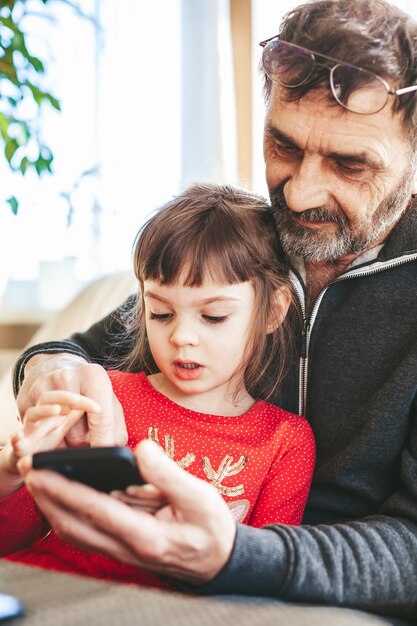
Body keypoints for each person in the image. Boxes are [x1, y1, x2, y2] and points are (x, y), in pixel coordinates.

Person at [9, 0, 417, 620]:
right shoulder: (252, 237)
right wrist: (46, 380)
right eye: (282, 144)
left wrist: (232, 555)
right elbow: (78, 351)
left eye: (349, 163)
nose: (301, 193)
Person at [0, 183, 315, 587]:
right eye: (162, 313)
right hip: (47, 586)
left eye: (213, 316)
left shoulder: (284, 442)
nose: (182, 336)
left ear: (273, 311)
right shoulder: (104, 397)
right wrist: (14, 469)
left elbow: (262, 579)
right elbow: (12, 537)